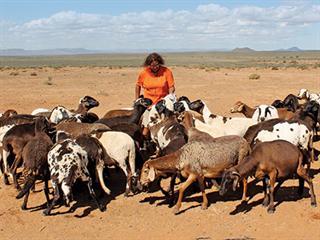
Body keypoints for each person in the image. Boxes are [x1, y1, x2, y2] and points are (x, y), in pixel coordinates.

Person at [135, 52, 176, 145]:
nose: (155, 67)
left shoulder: (167, 71)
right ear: (148, 65)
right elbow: (138, 86)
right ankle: (146, 144)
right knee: (145, 127)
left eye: (157, 65)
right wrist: (137, 99)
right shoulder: (144, 73)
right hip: (149, 104)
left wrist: (170, 97)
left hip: (163, 102)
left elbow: (171, 87)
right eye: (152, 65)